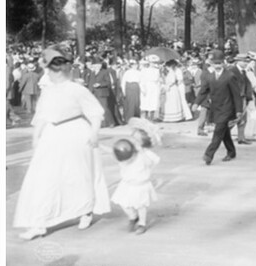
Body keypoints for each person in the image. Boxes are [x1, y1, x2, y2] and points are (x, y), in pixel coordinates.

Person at [13, 45, 111, 240]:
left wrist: (94, 134)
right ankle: (39, 223)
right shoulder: (48, 91)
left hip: (75, 134)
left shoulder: (77, 89)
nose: (48, 74)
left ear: (59, 71)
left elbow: (96, 113)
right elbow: (41, 116)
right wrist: (35, 137)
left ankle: (85, 211)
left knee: (77, 175)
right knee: (43, 179)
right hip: (51, 136)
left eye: (50, 70)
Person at [111, 118, 161, 235]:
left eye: (136, 141)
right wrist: (99, 146)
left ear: (143, 143)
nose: (133, 142)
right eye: (132, 139)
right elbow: (115, 153)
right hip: (127, 183)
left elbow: (152, 162)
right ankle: (133, 216)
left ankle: (142, 223)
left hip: (140, 185)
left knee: (141, 206)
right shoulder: (128, 151)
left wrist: (142, 153)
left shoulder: (146, 154)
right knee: (123, 203)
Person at [193, 50, 244, 165]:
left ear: (223, 63)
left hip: (227, 108)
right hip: (215, 108)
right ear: (211, 64)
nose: (217, 65)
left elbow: (236, 95)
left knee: (218, 132)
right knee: (224, 132)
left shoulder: (230, 76)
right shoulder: (209, 77)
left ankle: (208, 155)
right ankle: (231, 152)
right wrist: (196, 103)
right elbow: (203, 91)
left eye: (219, 63)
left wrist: (239, 110)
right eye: (215, 63)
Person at [90, 61, 119, 127]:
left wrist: (100, 84)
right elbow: (91, 83)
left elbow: (108, 82)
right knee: (97, 109)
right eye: (96, 65)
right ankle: (102, 124)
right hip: (95, 93)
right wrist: (90, 92)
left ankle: (111, 122)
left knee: (104, 108)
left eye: (99, 65)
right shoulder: (92, 73)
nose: (98, 66)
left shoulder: (105, 72)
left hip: (102, 93)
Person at [139, 56, 162, 122]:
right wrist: (143, 89)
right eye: (152, 62)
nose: (153, 64)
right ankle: (145, 117)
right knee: (146, 102)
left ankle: (151, 117)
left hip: (154, 87)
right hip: (147, 87)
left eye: (155, 63)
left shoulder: (157, 70)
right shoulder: (144, 70)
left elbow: (157, 80)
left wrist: (159, 88)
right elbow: (141, 80)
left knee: (153, 102)